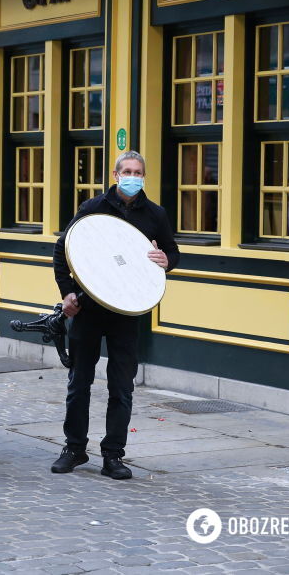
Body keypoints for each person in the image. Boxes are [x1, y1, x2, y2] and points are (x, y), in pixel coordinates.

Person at [50, 151, 180, 480]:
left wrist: (167, 260)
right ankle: (74, 449)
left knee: (121, 388)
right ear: (115, 174)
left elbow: (172, 251)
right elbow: (62, 250)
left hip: (126, 312)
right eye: (128, 171)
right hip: (89, 309)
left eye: (139, 172)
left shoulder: (155, 214)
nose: (133, 177)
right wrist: (67, 294)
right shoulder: (92, 209)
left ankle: (113, 455)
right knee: (79, 383)